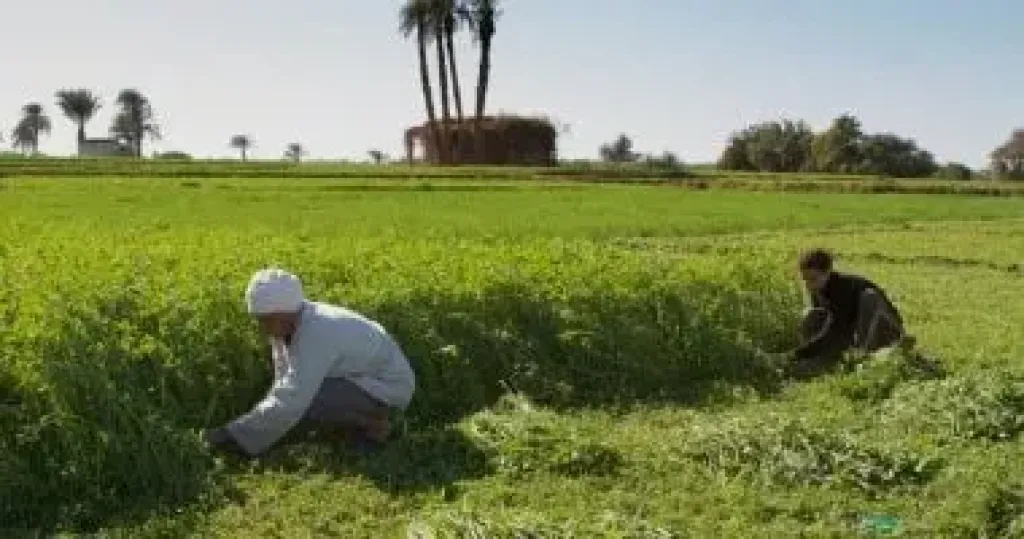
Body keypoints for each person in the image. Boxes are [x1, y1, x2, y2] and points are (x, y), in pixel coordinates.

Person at [203, 268, 416, 458]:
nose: (262, 327)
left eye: (266, 320)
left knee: (309, 399)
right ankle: (354, 426)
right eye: (259, 320)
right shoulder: (289, 325)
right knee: (301, 399)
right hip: (356, 380)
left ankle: (377, 425)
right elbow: (283, 379)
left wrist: (232, 435)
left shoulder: (317, 332)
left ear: (285, 314)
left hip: (388, 387)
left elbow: (292, 398)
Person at [780, 248, 907, 378]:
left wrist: (799, 354)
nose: (809, 285)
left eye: (813, 279)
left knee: (869, 297)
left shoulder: (842, 288)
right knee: (812, 315)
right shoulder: (818, 291)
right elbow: (826, 328)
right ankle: (822, 360)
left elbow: (837, 331)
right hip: (856, 333)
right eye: (805, 280)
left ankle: (860, 357)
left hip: (885, 331)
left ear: (828, 272)